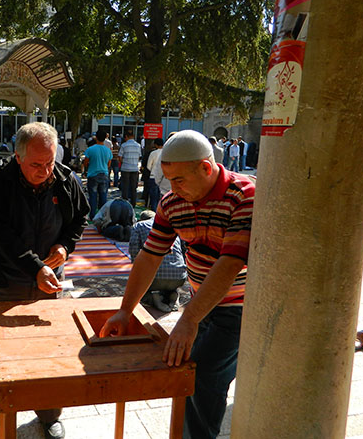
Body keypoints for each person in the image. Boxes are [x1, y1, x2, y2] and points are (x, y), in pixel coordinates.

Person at [100, 130, 255, 439]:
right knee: (187, 374)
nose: (172, 189)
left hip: (241, 307)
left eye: (179, 180)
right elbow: (149, 256)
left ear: (206, 168)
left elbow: (230, 265)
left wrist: (188, 319)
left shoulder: (244, 195)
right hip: (201, 303)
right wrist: (124, 311)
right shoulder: (172, 202)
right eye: (168, 180)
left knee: (201, 377)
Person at [0, 122, 89, 439]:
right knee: (5, 355)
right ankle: (4, 414)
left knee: (49, 350)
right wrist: (35, 267)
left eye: (50, 162)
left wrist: (65, 247)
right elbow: (1, 234)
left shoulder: (65, 178)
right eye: (36, 165)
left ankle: (49, 415)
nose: (45, 171)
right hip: (5, 279)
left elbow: (81, 216)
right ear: (17, 157)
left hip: (50, 280)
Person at [130, 210, 189, 312]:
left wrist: (138, 270)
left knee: (137, 287)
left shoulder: (139, 226)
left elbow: (134, 251)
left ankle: (154, 297)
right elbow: (183, 250)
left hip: (154, 278)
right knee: (168, 283)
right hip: (180, 277)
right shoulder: (171, 226)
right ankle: (173, 294)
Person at [83, 130, 112, 218]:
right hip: (104, 174)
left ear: (96, 138)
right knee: (103, 196)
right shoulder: (108, 150)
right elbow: (109, 164)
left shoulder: (90, 149)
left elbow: (85, 162)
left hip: (93, 174)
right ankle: (102, 215)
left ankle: (92, 215)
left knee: (93, 196)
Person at [118, 131, 142, 206]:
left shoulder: (124, 145)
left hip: (125, 168)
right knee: (133, 187)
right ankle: (133, 203)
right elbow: (139, 156)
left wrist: (123, 162)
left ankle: (125, 203)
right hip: (135, 168)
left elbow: (120, 157)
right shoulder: (138, 145)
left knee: (125, 186)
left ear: (126, 137)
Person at [146, 138, 164, 211]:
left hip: (153, 176)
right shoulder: (166, 153)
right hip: (164, 177)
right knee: (162, 196)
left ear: (155, 144)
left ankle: (154, 212)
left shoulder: (153, 153)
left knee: (153, 196)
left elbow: (148, 166)